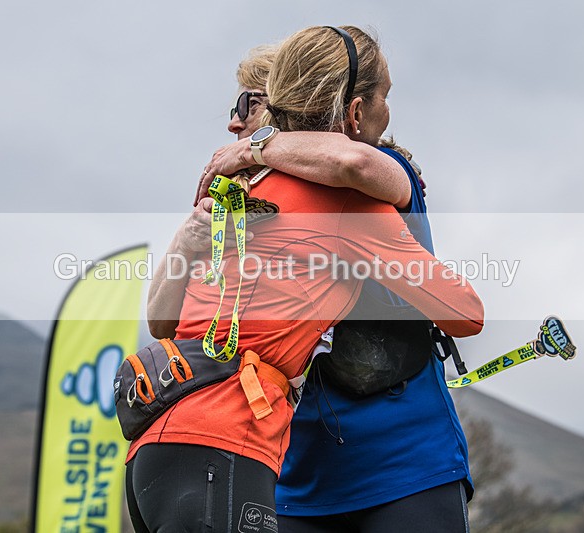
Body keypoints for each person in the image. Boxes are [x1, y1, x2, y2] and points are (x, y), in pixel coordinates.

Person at [126, 25, 484, 533]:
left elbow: (352, 162)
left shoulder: (378, 173)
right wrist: (186, 242)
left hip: (401, 463)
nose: (234, 124)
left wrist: (259, 149)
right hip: (283, 471)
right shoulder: (238, 199)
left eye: (249, 104)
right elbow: (168, 326)